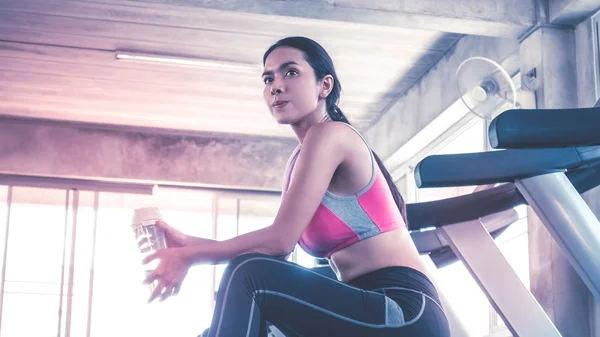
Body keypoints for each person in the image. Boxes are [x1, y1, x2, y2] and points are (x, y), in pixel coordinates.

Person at [143, 36, 450, 337]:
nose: (276, 86)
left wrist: (191, 257)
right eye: (268, 79)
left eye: (290, 72)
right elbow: (275, 255)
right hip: (364, 309)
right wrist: (188, 245)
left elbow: (279, 242)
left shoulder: (330, 136)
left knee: (248, 273)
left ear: (324, 86)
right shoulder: (299, 159)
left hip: (403, 312)